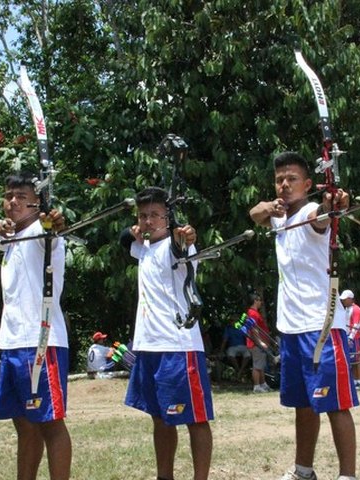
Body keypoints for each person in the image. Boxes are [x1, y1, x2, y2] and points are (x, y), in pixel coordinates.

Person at [249, 151, 357, 480]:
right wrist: (267, 208)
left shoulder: (311, 212)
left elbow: (325, 214)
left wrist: (332, 203)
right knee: (303, 403)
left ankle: (347, 475)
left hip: (321, 325)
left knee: (336, 403)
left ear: (307, 184)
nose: (284, 185)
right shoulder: (278, 217)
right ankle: (303, 470)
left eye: (292, 179)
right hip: (291, 327)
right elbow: (255, 213)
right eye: (280, 179)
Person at [0, 171, 71, 480]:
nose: (13, 202)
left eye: (21, 197)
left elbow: (54, 230)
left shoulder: (44, 237)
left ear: (37, 203)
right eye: (8, 196)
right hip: (13, 343)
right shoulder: (10, 239)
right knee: (23, 422)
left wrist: (52, 222)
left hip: (41, 341)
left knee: (50, 423)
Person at [122, 186, 213, 480]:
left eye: (156, 216)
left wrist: (183, 236)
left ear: (169, 218)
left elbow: (183, 243)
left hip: (179, 346)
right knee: (160, 418)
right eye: (143, 216)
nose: (148, 222)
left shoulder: (178, 246)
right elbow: (124, 239)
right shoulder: (143, 249)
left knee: (195, 420)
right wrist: (135, 231)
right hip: (148, 346)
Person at [244, 292, 272, 393]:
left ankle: (263, 384)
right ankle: (256, 386)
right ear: (255, 301)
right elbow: (253, 329)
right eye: (259, 300)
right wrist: (260, 342)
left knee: (261, 365)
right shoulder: (253, 313)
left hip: (258, 343)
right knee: (257, 366)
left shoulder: (253, 312)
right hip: (256, 344)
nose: (261, 302)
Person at [340, 290, 360, 389]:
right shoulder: (346, 309)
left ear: (350, 299)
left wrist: (351, 337)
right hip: (347, 335)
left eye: (345, 299)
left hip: (354, 337)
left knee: (357, 359)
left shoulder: (356, 309)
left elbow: (356, 324)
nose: (343, 301)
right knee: (351, 359)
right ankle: (354, 381)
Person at [219, 314, 251, 381]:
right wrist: (221, 351)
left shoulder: (241, 328)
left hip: (242, 346)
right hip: (232, 346)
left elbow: (248, 338)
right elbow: (225, 341)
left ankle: (240, 371)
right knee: (230, 355)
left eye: (236, 320)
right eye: (232, 320)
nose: (234, 322)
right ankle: (238, 370)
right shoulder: (228, 329)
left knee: (248, 355)